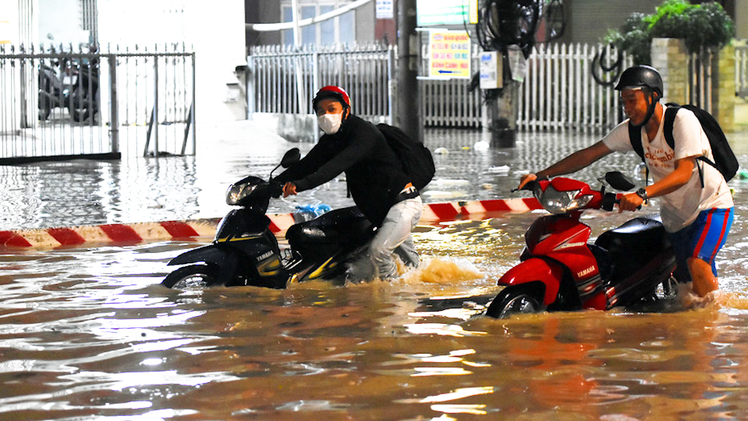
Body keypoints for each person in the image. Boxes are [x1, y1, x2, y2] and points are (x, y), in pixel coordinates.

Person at [518, 65, 733, 305]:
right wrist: (541, 175)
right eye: (624, 102)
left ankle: (718, 328)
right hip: (675, 217)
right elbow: (589, 154)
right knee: (687, 290)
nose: (627, 108)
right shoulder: (631, 131)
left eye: (632, 100)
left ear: (653, 96)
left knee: (698, 263)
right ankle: (702, 332)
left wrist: (642, 194)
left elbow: (684, 172)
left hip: (710, 205)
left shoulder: (681, 120)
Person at [274, 85, 423, 281]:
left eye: (332, 109)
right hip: (380, 212)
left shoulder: (364, 133)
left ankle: (395, 299)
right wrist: (272, 184)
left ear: (346, 110)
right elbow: (308, 164)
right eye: (321, 111)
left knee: (378, 253)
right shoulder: (332, 139)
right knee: (413, 268)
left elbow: (334, 167)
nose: (326, 115)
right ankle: (422, 288)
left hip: (402, 204)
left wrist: (299, 185)